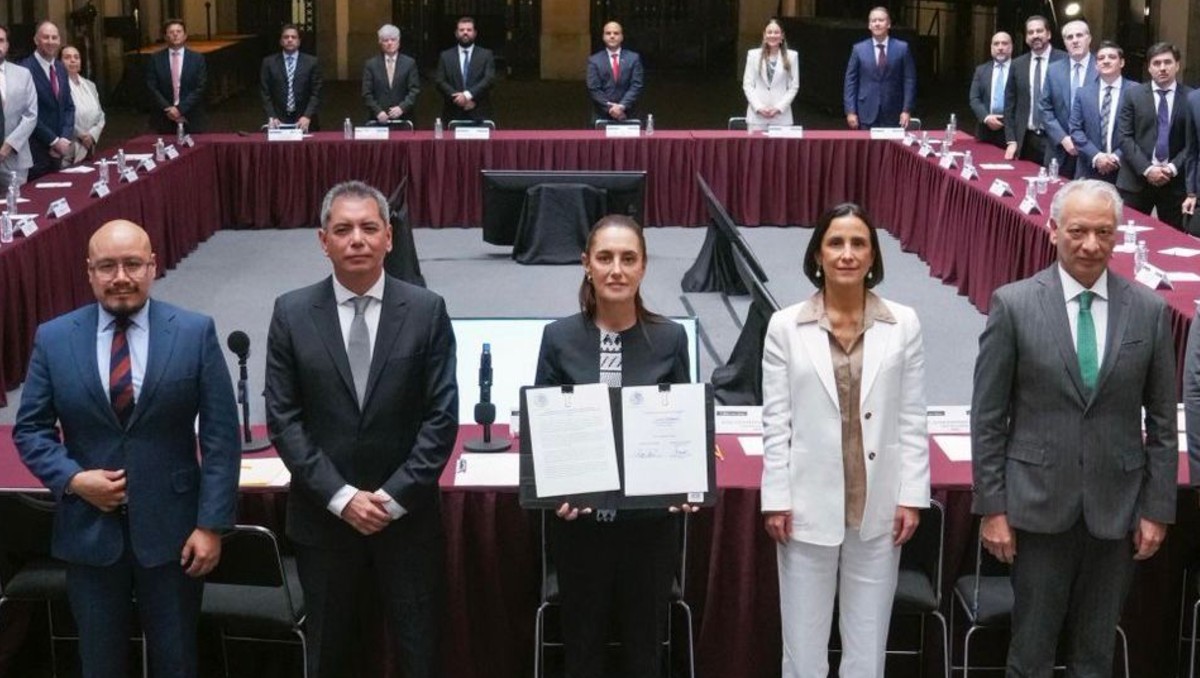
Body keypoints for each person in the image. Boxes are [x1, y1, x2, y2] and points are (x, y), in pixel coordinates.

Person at [13, 219, 240, 678]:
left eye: (133, 264)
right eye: (108, 266)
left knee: (176, 661)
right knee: (100, 664)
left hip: (176, 535)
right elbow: (31, 430)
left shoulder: (193, 332)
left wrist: (211, 525)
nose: (121, 277)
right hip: (89, 535)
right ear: (89, 272)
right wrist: (74, 480)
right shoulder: (54, 338)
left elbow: (221, 436)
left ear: (153, 266)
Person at [971, 179, 1177, 676]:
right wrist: (993, 508)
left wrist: (1157, 509)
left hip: (1117, 512)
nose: (1091, 245)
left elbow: (1164, 422)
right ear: (1053, 230)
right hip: (1038, 507)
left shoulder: (1148, 311)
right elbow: (988, 418)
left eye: (1104, 233)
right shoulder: (1014, 305)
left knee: (1094, 656)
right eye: (1078, 231)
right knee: (1031, 653)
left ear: (1117, 235)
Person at [265, 181, 458, 677]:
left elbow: (441, 418)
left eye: (369, 228)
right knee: (330, 657)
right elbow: (284, 419)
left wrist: (390, 500)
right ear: (323, 240)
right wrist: (342, 497)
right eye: (343, 229)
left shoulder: (426, 310)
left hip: (407, 522)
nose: (357, 240)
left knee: (420, 656)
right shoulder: (291, 313)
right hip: (324, 521)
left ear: (389, 238)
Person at [761, 203, 928, 677]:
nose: (847, 254)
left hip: (878, 503)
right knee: (803, 648)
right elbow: (776, 422)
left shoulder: (904, 323)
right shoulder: (785, 326)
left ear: (873, 256)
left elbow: (912, 416)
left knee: (867, 646)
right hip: (805, 503)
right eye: (836, 243)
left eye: (859, 244)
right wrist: (776, 498)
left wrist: (912, 496)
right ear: (818, 254)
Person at [534, 214, 695, 678]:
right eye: (605, 258)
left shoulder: (670, 338)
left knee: (645, 654)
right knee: (582, 652)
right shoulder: (558, 337)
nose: (617, 269)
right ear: (587, 264)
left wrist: (686, 482)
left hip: (649, 530)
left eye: (628, 258)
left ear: (643, 266)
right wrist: (556, 492)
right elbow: (545, 433)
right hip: (580, 530)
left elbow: (682, 426)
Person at [1116, 41, 1193, 231]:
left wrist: (1172, 168)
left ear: (1177, 65)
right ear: (1149, 68)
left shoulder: (1191, 98)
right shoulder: (1132, 95)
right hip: (1136, 180)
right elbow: (1124, 137)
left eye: (1168, 62)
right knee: (1128, 236)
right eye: (1157, 63)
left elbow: (1193, 143)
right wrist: (1147, 169)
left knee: (1173, 239)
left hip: (1175, 184)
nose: (1162, 68)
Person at [1037, 19, 1096, 178]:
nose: (1075, 40)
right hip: (1059, 150)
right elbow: (1044, 108)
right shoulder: (1053, 70)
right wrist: (1062, 138)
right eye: (1069, 37)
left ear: (1089, 38)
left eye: (1079, 35)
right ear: (1064, 42)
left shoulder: (1101, 68)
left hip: (1092, 152)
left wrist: (1084, 144)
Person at [1003, 15, 1065, 162]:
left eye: (1039, 31)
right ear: (1026, 38)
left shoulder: (1065, 60)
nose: (1035, 35)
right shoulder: (1017, 64)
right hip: (1026, 140)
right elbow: (1009, 104)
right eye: (1030, 32)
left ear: (1048, 34)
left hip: (1056, 140)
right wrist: (1011, 140)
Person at [842, 6, 915, 130]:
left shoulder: (902, 48)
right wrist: (850, 111)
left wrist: (906, 110)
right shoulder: (858, 49)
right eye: (873, 21)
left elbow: (909, 80)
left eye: (881, 20)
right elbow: (850, 82)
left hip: (894, 111)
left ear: (889, 24)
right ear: (869, 25)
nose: (877, 24)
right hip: (865, 111)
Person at [1068, 41, 1128, 183]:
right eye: (1101, 58)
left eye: (1112, 57)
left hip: (1125, 172)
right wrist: (1097, 156)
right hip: (1088, 169)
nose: (1106, 61)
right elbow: (1075, 129)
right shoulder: (1083, 93)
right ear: (1096, 65)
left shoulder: (1136, 92)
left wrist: (1115, 158)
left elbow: (1140, 132)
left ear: (1122, 63)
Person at [21, 20, 73, 180]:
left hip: (59, 152)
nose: (51, 42)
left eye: (54, 37)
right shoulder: (24, 69)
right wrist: (53, 141)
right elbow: (27, 113)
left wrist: (64, 138)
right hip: (36, 152)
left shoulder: (61, 68)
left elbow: (69, 107)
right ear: (36, 40)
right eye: (46, 37)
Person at [145, 19, 207, 134]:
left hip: (191, 116)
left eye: (179, 31)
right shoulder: (155, 59)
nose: (175, 34)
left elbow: (200, 87)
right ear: (165, 36)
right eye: (171, 32)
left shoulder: (197, 59)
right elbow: (152, 87)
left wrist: (180, 109)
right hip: (164, 116)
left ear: (185, 36)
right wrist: (168, 108)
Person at [261, 24, 322, 132]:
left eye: (293, 37)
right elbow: (265, 93)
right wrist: (272, 116)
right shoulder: (269, 63)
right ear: (281, 41)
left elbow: (316, 93)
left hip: (305, 120)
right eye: (286, 37)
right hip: (278, 120)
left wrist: (307, 115)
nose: (290, 40)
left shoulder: (311, 62)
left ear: (299, 41)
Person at [433, 17, 495, 124]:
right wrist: (459, 99)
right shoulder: (445, 56)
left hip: (479, 111)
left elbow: (489, 80)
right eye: (461, 30)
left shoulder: (486, 55)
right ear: (456, 33)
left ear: (475, 33)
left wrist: (468, 95)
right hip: (452, 112)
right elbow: (440, 81)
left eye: (469, 30)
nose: (465, 32)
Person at [742, 18, 800, 131]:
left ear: (782, 36)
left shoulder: (792, 56)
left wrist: (778, 108)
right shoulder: (753, 55)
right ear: (764, 35)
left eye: (776, 32)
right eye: (769, 32)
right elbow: (748, 84)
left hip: (781, 117)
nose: (773, 35)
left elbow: (793, 86)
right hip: (757, 117)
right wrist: (759, 107)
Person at [0, 24, 37, 189]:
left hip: (15, 158)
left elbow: (31, 115)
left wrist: (8, 146)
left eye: (1, 40)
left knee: (17, 203)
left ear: (7, 45)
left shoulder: (23, 74)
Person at [586, 21, 644, 125]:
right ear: (603, 37)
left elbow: (636, 85)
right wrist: (610, 108)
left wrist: (622, 106)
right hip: (602, 115)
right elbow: (594, 88)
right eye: (608, 33)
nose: (612, 36)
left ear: (622, 37)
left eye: (616, 33)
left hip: (628, 113)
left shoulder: (633, 58)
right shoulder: (594, 60)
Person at [361, 24, 420, 126]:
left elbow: (414, 90)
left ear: (399, 41)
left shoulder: (409, 63)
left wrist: (402, 108)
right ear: (380, 42)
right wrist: (378, 111)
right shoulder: (371, 65)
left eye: (393, 39)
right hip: (378, 120)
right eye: (385, 40)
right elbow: (366, 93)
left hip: (404, 119)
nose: (389, 43)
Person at [968, 31, 1013, 149]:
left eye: (1004, 43)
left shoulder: (1019, 69)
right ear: (991, 48)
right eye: (996, 44)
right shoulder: (981, 70)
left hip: (1012, 131)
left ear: (1011, 47)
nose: (1000, 47)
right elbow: (974, 98)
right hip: (985, 130)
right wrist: (986, 117)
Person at [61, 45, 105, 164]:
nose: (73, 60)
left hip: (90, 146)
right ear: (59, 63)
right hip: (69, 149)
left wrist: (92, 135)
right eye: (67, 57)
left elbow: (101, 115)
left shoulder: (90, 85)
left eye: (76, 57)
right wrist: (81, 135)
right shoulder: (58, 86)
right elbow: (61, 116)